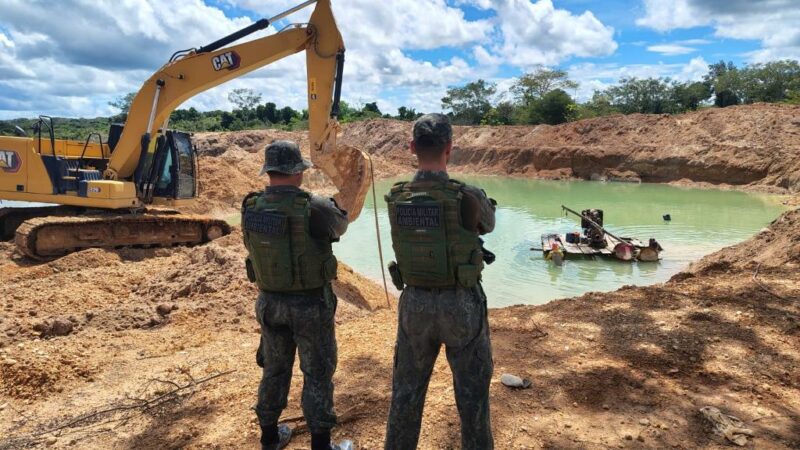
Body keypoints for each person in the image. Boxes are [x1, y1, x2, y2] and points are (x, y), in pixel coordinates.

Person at [384, 114, 497, 449]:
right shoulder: (468, 195)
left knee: (406, 394)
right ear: (449, 148)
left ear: (411, 147)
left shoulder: (397, 196)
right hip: (460, 303)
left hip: (415, 303)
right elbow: (488, 225)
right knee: (473, 398)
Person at [241, 140, 353, 450]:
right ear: (298, 172)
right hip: (309, 305)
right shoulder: (313, 206)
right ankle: (320, 444)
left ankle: (269, 438)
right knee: (317, 373)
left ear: (270, 171)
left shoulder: (251, 206)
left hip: (269, 302)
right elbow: (340, 226)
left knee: (274, 370)